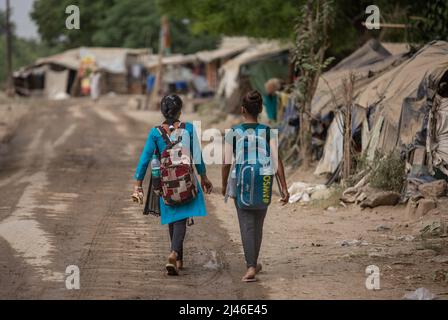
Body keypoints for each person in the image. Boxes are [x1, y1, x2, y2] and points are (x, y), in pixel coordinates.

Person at [132, 94, 213, 276]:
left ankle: (178, 260)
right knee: (181, 218)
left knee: (172, 217)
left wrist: (138, 185)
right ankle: (174, 253)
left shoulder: (155, 133)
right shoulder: (189, 129)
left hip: (165, 183)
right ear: (180, 111)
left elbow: (145, 160)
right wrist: (204, 177)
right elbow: (197, 157)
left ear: (162, 111)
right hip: (186, 182)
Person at [222, 90, 289, 282]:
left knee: (246, 224)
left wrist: (225, 183)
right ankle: (254, 263)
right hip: (264, 178)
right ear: (260, 109)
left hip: (242, 180)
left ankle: (251, 266)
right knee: (258, 223)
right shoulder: (268, 131)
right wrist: (284, 187)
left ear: (242, 110)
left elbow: (226, 162)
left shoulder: (233, 132)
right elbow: (277, 161)